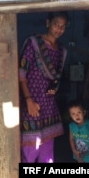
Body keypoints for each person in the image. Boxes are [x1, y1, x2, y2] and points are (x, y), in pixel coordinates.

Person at [19, 11, 69, 163]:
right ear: (48, 23)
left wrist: (53, 90)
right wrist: (28, 100)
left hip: (49, 104)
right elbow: (21, 73)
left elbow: (56, 78)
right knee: (30, 148)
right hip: (32, 103)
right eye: (56, 24)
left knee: (47, 152)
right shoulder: (33, 43)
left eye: (63, 26)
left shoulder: (62, 51)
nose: (59, 29)